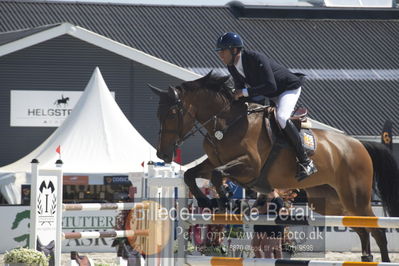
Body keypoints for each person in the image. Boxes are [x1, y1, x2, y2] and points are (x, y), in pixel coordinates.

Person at [215, 32, 317, 180]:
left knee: (281, 118)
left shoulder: (255, 58)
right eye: (219, 52)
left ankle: (306, 162)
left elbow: (270, 85)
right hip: (269, 93)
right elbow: (240, 89)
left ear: (234, 50)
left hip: (287, 88)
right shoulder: (232, 67)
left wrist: (243, 92)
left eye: (222, 51)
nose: (220, 55)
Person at [251, 190, 285, 258]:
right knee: (256, 245)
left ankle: (268, 263)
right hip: (261, 223)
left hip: (273, 225)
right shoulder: (262, 196)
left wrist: (259, 209)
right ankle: (261, 262)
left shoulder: (276, 198)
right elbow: (253, 210)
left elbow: (262, 210)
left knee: (270, 248)